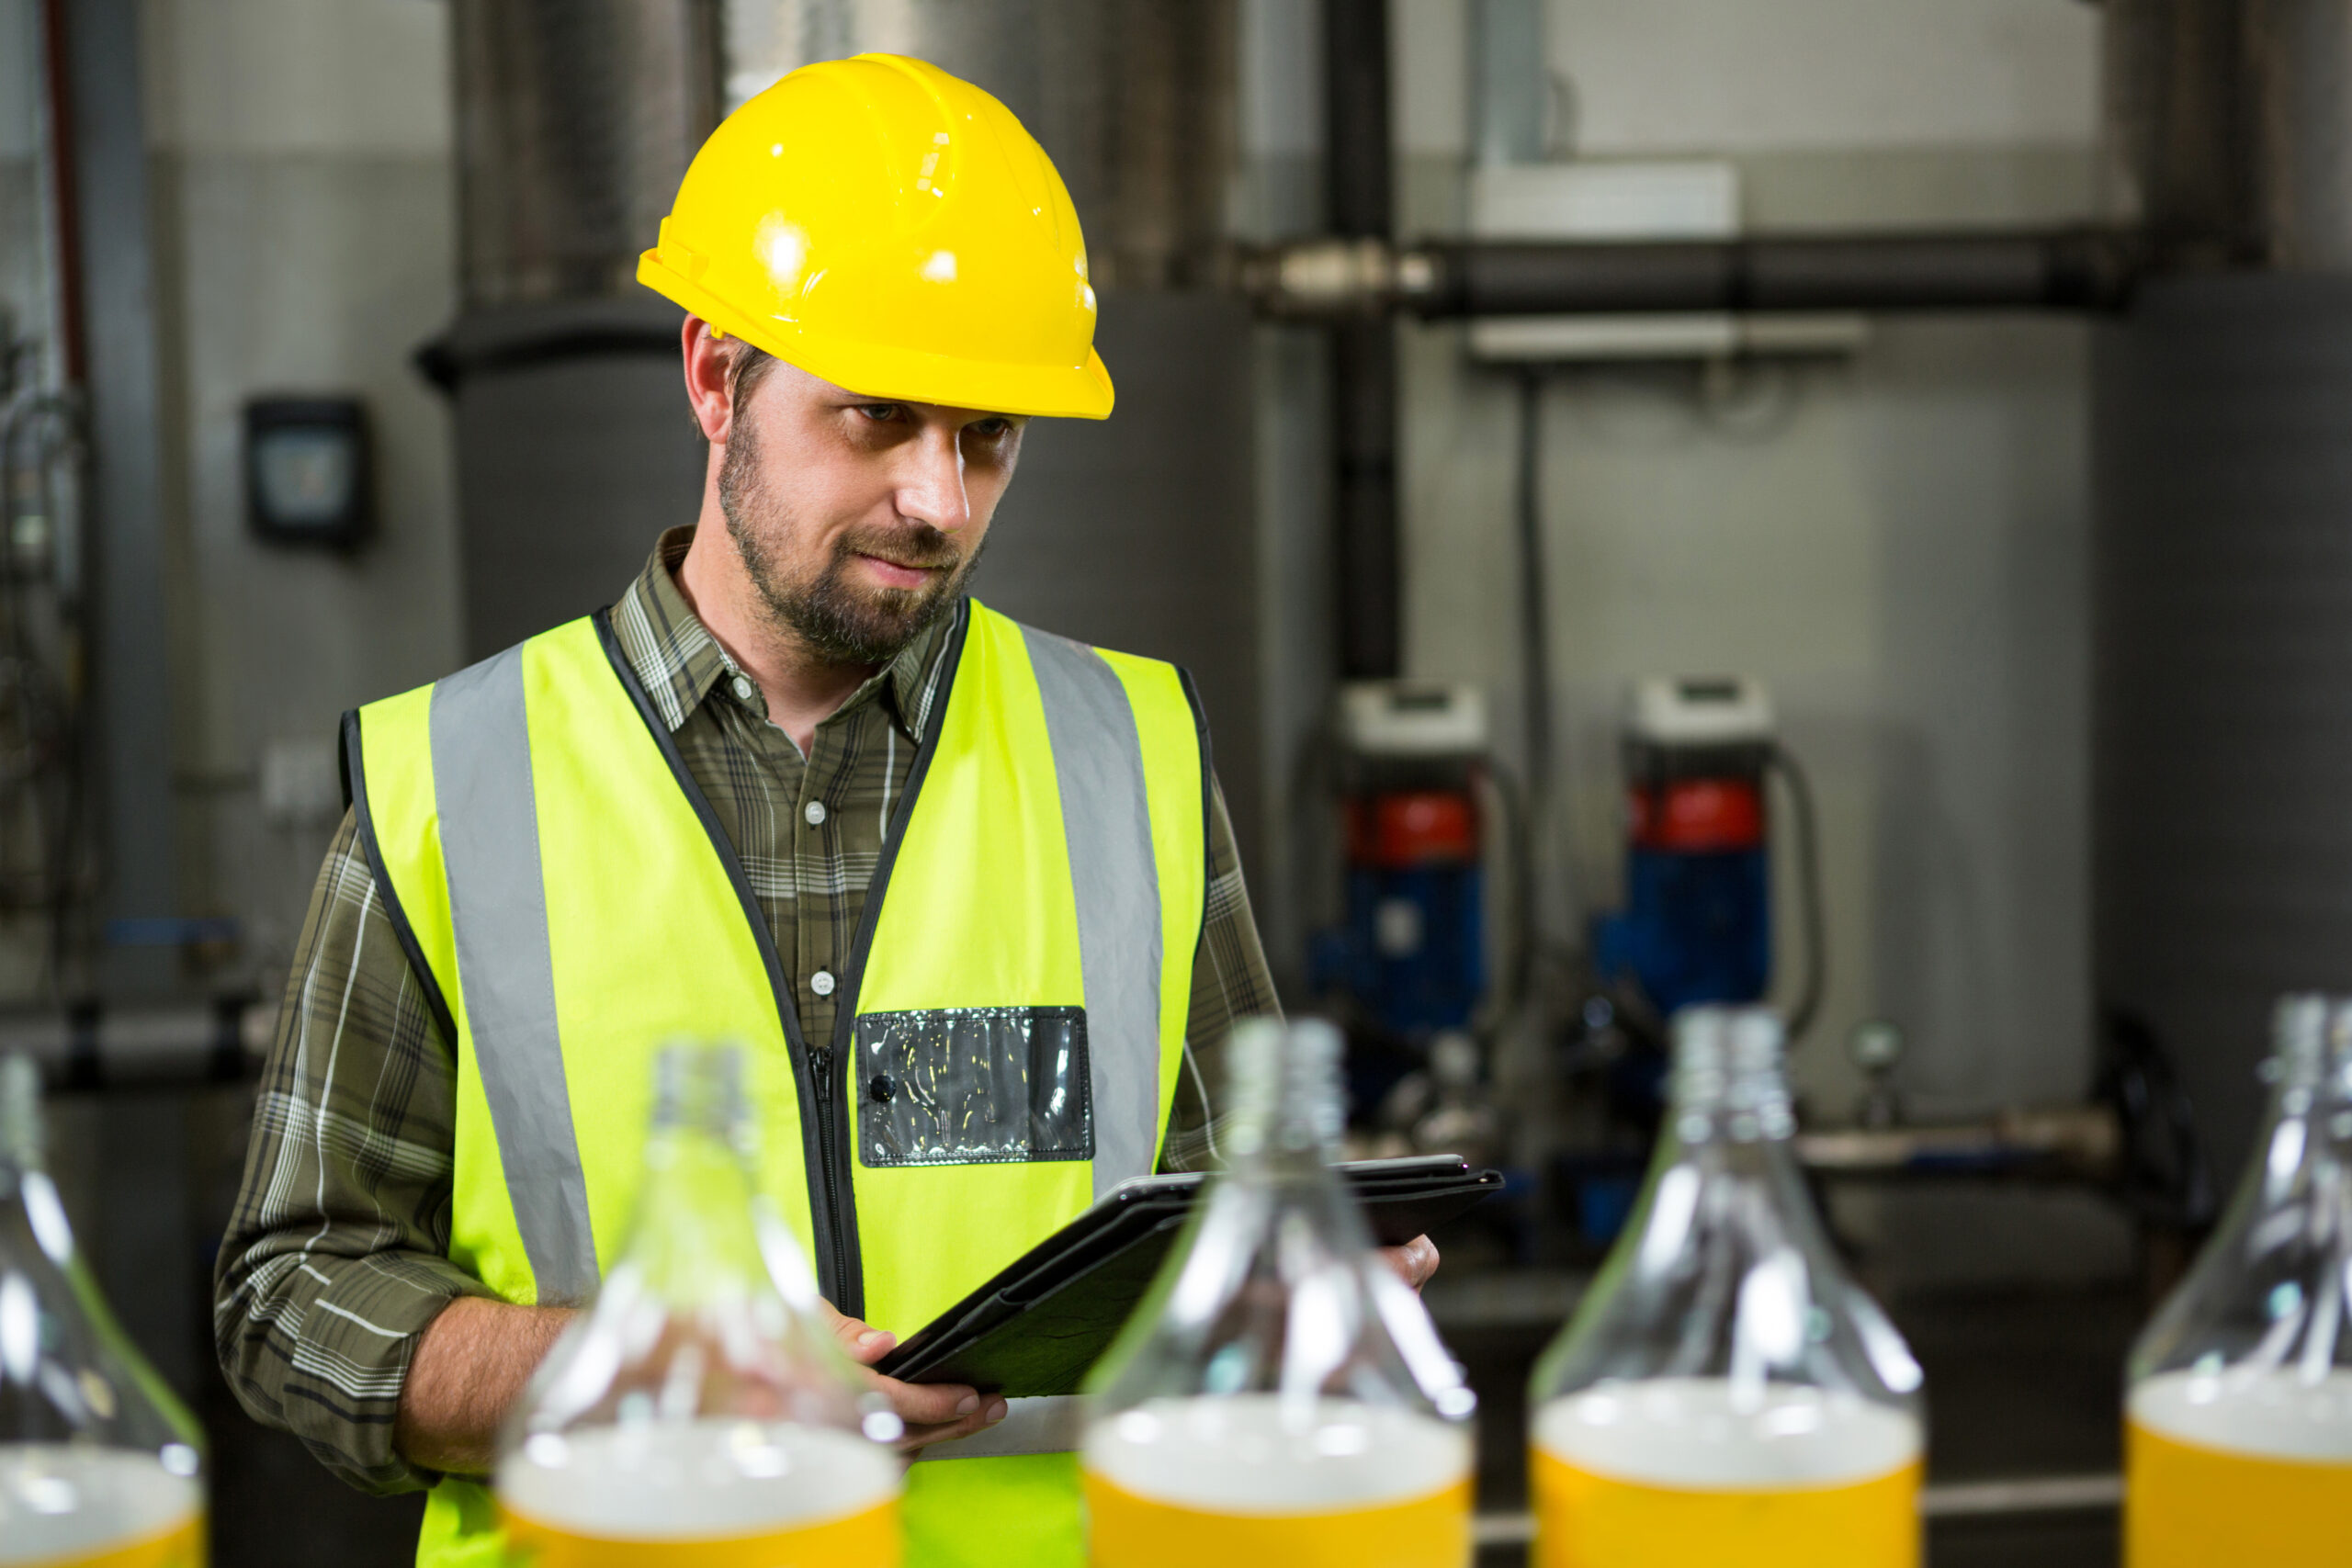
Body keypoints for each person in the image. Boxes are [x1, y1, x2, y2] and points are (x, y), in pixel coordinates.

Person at [213, 52, 1440, 1568]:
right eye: (880, 417)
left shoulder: (1132, 752)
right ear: (716, 378)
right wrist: (656, 1377)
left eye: (988, 436)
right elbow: (292, 1294)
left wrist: (1299, 1270)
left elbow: (1235, 1208)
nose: (942, 499)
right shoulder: (451, 785)